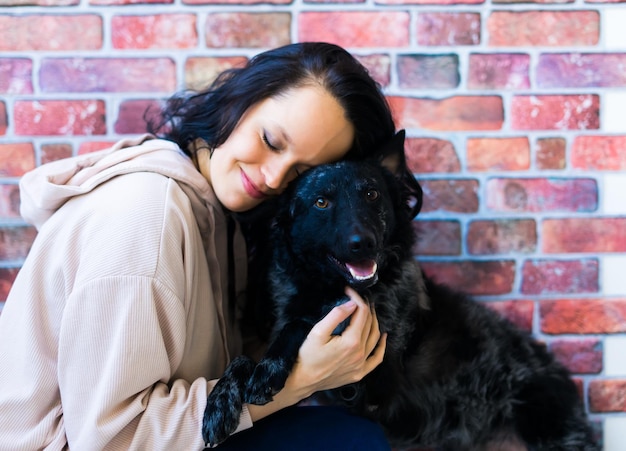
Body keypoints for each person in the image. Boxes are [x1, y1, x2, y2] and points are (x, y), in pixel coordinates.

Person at [0, 42, 419, 450]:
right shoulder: (145, 217)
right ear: (238, 102)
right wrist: (300, 380)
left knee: (349, 432)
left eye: (300, 174)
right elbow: (112, 440)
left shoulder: (220, 214)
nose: (274, 178)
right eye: (272, 141)